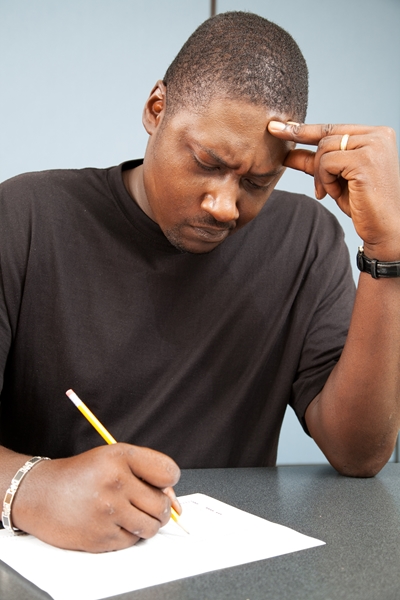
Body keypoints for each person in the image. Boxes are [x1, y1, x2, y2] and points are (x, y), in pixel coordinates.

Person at [0, 11, 399, 553]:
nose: (225, 206)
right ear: (155, 108)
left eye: (259, 182)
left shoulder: (305, 239)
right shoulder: (24, 216)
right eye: (207, 162)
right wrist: (30, 488)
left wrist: (386, 253)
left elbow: (360, 454)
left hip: (213, 561)